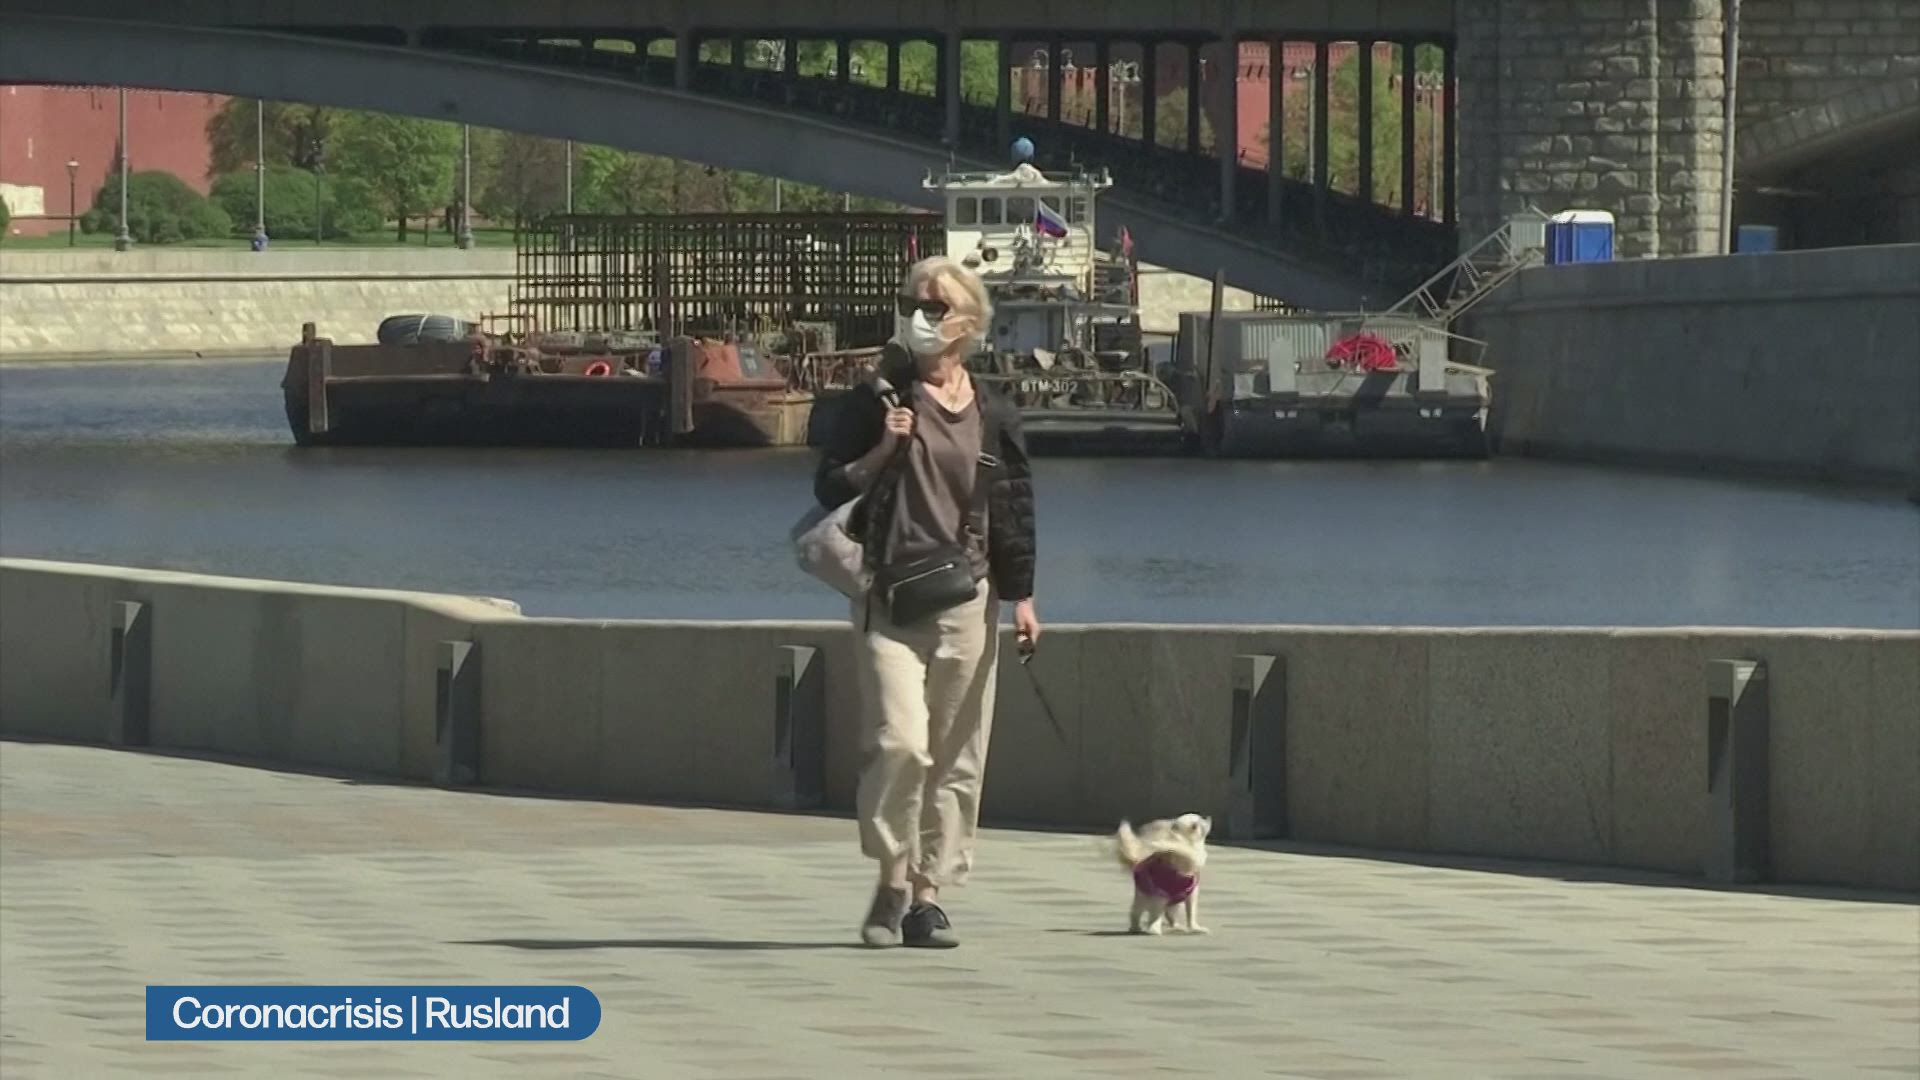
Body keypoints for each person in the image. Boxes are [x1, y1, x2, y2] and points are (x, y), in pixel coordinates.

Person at [813, 255, 1040, 949]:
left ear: (967, 321)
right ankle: (891, 876)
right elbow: (830, 485)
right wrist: (883, 449)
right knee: (900, 743)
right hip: (888, 598)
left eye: (934, 307)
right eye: (911, 303)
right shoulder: (876, 399)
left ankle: (927, 897)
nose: (918, 316)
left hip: (968, 598)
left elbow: (1013, 509)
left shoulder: (994, 412)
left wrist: (1023, 598)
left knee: (956, 756)